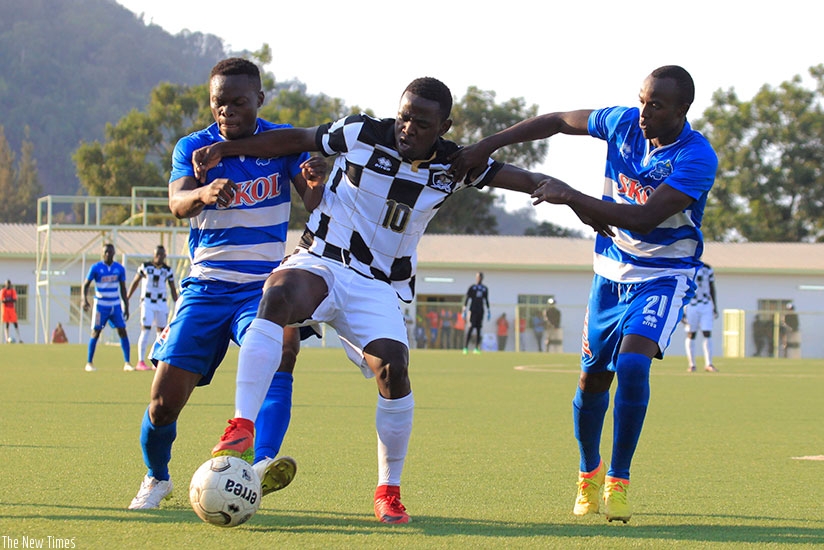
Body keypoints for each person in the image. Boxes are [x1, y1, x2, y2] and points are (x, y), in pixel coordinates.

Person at [192, 76, 568, 524]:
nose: (407, 128)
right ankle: (241, 426)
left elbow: (527, 179)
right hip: (322, 261)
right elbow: (296, 138)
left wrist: (573, 199)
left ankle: (388, 491)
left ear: (443, 125)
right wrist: (226, 149)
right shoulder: (362, 132)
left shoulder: (457, 164)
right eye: (404, 116)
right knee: (276, 296)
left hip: (378, 284)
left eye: (422, 123)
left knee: (394, 368)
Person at [450, 66, 717, 523]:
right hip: (609, 273)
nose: (643, 112)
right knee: (593, 379)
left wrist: (570, 196)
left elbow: (644, 219)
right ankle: (587, 474)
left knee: (633, 365)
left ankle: (618, 480)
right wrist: (484, 146)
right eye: (642, 99)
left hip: (663, 274)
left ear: (682, 110)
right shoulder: (622, 123)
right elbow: (556, 121)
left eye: (656, 105)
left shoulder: (696, 157)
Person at [127, 58, 326, 510]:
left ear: (259, 99)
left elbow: (313, 201)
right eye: (219, 103)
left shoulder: (282, 141)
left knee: (284, 352)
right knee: (162, 404)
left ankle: (261, 464)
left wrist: (317, 182)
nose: (227, 112)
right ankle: (158, 478)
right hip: (206, 288)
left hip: (263, 287)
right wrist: (202, 194)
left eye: (238, 102)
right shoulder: (194, 147)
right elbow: (177, 202)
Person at [126, 245, 179, 371]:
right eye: (157, 254)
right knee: (145, 329)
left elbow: (172, 288)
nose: (159, 257)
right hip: (147, 302)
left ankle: (157, 360)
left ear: (165, 255)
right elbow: (135, 282)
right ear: (154, 255)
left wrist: (178, 304)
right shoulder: (145, 267)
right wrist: (127, 298)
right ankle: (141, 361)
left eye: (162, 254)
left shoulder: (167, 270)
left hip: (161, 303)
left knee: (161, 333)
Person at [83, 243, 131, 372]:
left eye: (110, 252)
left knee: (122, 330)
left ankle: (127, 363)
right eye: (106, 252)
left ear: (114, 253)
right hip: (101, 305)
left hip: (115, 305)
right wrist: (85, 300)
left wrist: (126, 306)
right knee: (96, 332)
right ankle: (89, 363)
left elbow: (123, 288)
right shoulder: (96, 268)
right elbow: (86, 284)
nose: (108, 254)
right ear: (102, 253)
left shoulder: (119, 268)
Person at [683, 263, 718, 372]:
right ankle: (692, 364)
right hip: (691, 305)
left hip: (706, 304)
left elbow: (712, 287)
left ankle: (709, 363)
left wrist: (714, 306)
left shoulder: (707, 269)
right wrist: (681, 308)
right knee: (691, 334)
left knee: (707, 332)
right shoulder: (686, 267)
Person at [463, 272, 490, 354]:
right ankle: (465, 347)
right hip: (473, 310)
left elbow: (486, 300)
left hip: (480, 311)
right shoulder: (472, 287)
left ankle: (476, 348)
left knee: (479, 329)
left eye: (480, 277)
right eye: (478, 277)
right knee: (471, 328)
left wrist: (489, 310)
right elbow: (467, 298)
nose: (479, 278)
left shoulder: (484, 288)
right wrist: (464, 308)